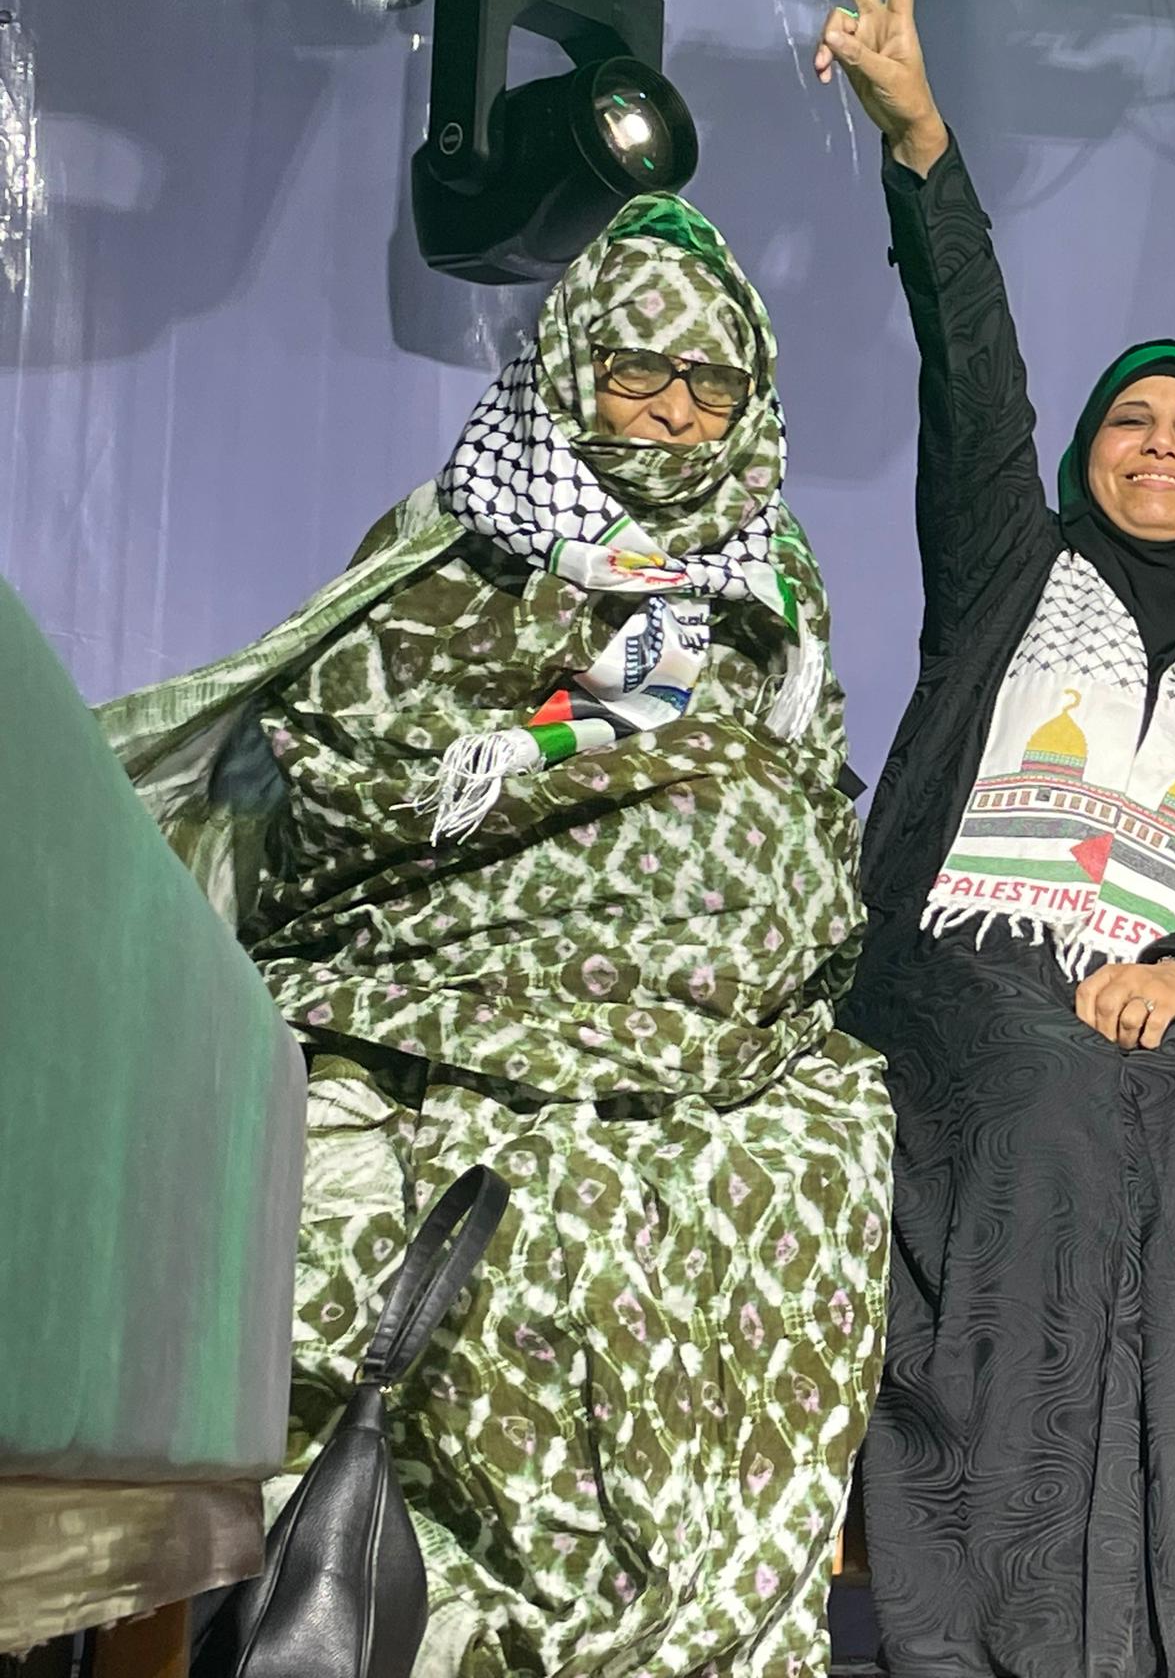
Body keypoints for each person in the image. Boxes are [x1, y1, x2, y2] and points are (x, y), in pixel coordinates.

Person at [101, 194, 894, 1678]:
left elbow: (812, 789)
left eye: (711, 386)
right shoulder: (465, 542)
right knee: (528, 1228)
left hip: (738, 1045)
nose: (673, 414)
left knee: (819, 1168)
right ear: (571, 372)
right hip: (468, 993)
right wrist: (592, 767)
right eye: (638, 376)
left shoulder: (779, 587)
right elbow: (346, 753)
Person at [814, 0, 1175, 1678]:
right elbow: (973, 376)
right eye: (1136, 425)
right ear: (1087, 460)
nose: (1163, 447)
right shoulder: (1009, 582)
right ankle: (988, 1633)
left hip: (1153, 999)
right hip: (973, 977)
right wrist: (922, 151)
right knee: (1046, 1108)